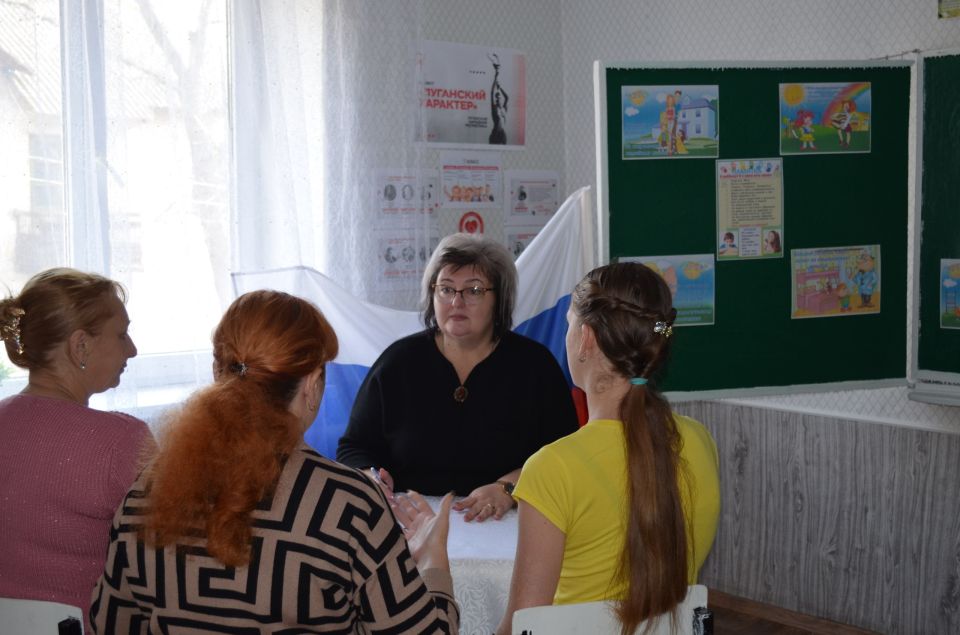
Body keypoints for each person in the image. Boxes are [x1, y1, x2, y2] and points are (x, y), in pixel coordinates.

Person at [90, 290, 459, 632]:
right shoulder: (348, 504)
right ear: (313, 384)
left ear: (218, 373)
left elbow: (109, 624)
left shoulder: (144, 494)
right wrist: (433, 563)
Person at [494, 262, 720, 635]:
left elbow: (520, 627)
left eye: (567, 324)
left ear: (585, 338)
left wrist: (437, 569)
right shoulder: (698, 441)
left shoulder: (553, 468)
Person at [337, 233, 579, 521]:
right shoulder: (398, 362)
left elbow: (564, 456)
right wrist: (371, 476)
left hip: (508, 524)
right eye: (446, 289)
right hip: (413, 524)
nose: (456, 302)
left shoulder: (535, 366)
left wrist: (509, 487)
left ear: (499, 299)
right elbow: (353, 447)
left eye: (474, 290)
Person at [0, 268, 152, 633]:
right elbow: (171, 555)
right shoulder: (121, 441)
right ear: (80, 345)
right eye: (122, 334)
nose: (132, 348)